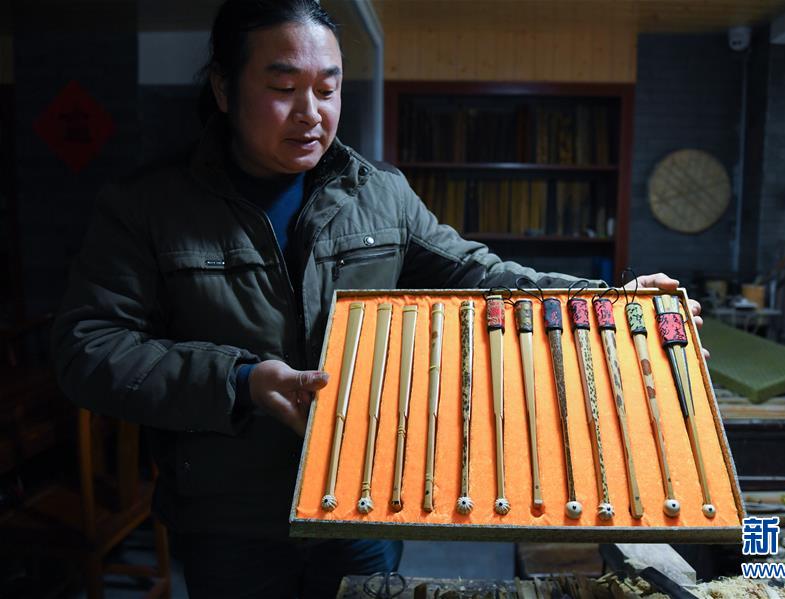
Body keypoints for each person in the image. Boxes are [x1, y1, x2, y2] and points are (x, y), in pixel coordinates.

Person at [51, 0, 702, 596]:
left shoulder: (379, 193)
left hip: (364, 494)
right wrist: (241, 381)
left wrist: (607, 301)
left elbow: (476, 272)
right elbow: (89, 348)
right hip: (230, 518)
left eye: (327, 88)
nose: (311, 113)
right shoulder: (147, 206)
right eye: (283, 88)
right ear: (224, 88)